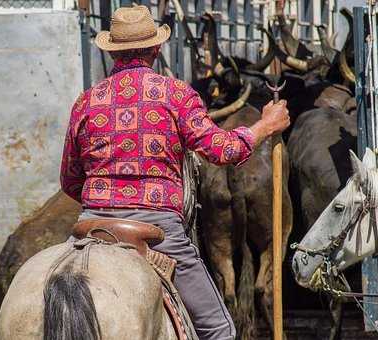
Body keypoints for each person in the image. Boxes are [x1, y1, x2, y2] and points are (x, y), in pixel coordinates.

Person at [60, 5, 290, 340]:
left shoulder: (86, 101)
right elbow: (222, 150)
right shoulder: (175, 95)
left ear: (110, 52)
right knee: (219, 329)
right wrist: (264, 127)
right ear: (156, 48)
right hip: (157, 230)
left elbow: (69, 178)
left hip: (91, 224)